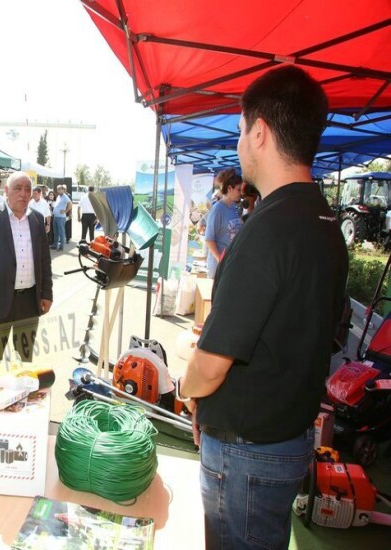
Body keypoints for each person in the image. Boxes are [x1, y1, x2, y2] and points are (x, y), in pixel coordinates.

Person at [177, 65, 348, 550]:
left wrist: (189, 391)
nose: (238, 145)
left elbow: (211, 365)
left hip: (247, 456)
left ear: (260, 133)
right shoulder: (325, 223)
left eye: (240, 131)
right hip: (287, 439)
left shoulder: (268, 229)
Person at [0, 172, 53, 382]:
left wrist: (47, 293)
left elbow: (44, 260)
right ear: (6, 191)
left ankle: (23, 394)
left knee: (24, 357)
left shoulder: (37, 219)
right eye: (18, 188)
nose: (23, 193)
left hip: (29, 300)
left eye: (27, 189)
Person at [204, 169, 243, 278]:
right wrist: (221, 260)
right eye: (238, 189)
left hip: (230, 265)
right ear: (230, 188)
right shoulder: (218, 209)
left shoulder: (234, 208)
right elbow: (209, 239)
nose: (240, 193)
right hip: (218, 267)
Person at [51, 184, 71, 251]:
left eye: (60, 189)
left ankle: (61, 246)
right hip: (56, 217)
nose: (58, 190)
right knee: (55, 232)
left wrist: (65, 211)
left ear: (63, 190)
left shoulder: (65, 197)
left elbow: (70, 204)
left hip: (61, 218)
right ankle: (55, 245)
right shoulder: (58, 196)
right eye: (57, 189)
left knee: (61, 232)